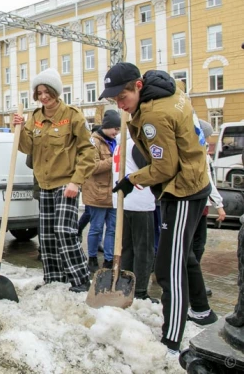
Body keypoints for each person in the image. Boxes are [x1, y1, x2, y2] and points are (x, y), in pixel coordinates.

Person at [103, 62, 215, 357]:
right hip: (192, 181)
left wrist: (131, 180)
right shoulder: (166, 88)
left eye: (122, 97)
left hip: (183, 190)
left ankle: (172, 338)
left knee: (168, 268)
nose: (120, 104)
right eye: (114, 99)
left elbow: (165, 166)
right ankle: (202, 311)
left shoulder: (154, 115)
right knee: (185, 255)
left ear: (138, 86)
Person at [13, 68, 95, 292]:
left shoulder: (72, 116)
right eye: (38, 93)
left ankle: (80, 278)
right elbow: (27, 147)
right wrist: (18, 129)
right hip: (44, 183)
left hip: (66, 182)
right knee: (47, 234)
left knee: (64, 230)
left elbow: (88, 152)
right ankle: (54, 279)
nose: (43, 97)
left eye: (46, 91)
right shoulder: (36, 118)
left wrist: (76, 182)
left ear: (55, 91)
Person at [112, 128, 158, 303]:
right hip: (140, 201)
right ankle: (139, 290)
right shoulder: (137, 145)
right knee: (144, 249)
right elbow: (149, 170)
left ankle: (126, 285)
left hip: (124, 201)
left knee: (128, 246)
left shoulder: (120, 144)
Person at [83, 110, 120, 272]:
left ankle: (108, 260)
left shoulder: (116, 142)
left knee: (112, 228)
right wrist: (115, 160)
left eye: (118, 129)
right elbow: (93, 167)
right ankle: (91, 258)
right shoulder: (94, 142)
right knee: (96, 227)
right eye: (114, 128)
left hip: (113, 193)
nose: (116, 132)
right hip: (97, 193)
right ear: (107, 126)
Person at [194, 119, 227, 297]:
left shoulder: (202, 151)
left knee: (196, 245)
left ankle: (194, 280)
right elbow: (208, 182)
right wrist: (219, 205)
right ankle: (193, 281)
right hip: (200, 203)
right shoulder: (200, 153)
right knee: (197, 245)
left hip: (201, 204)